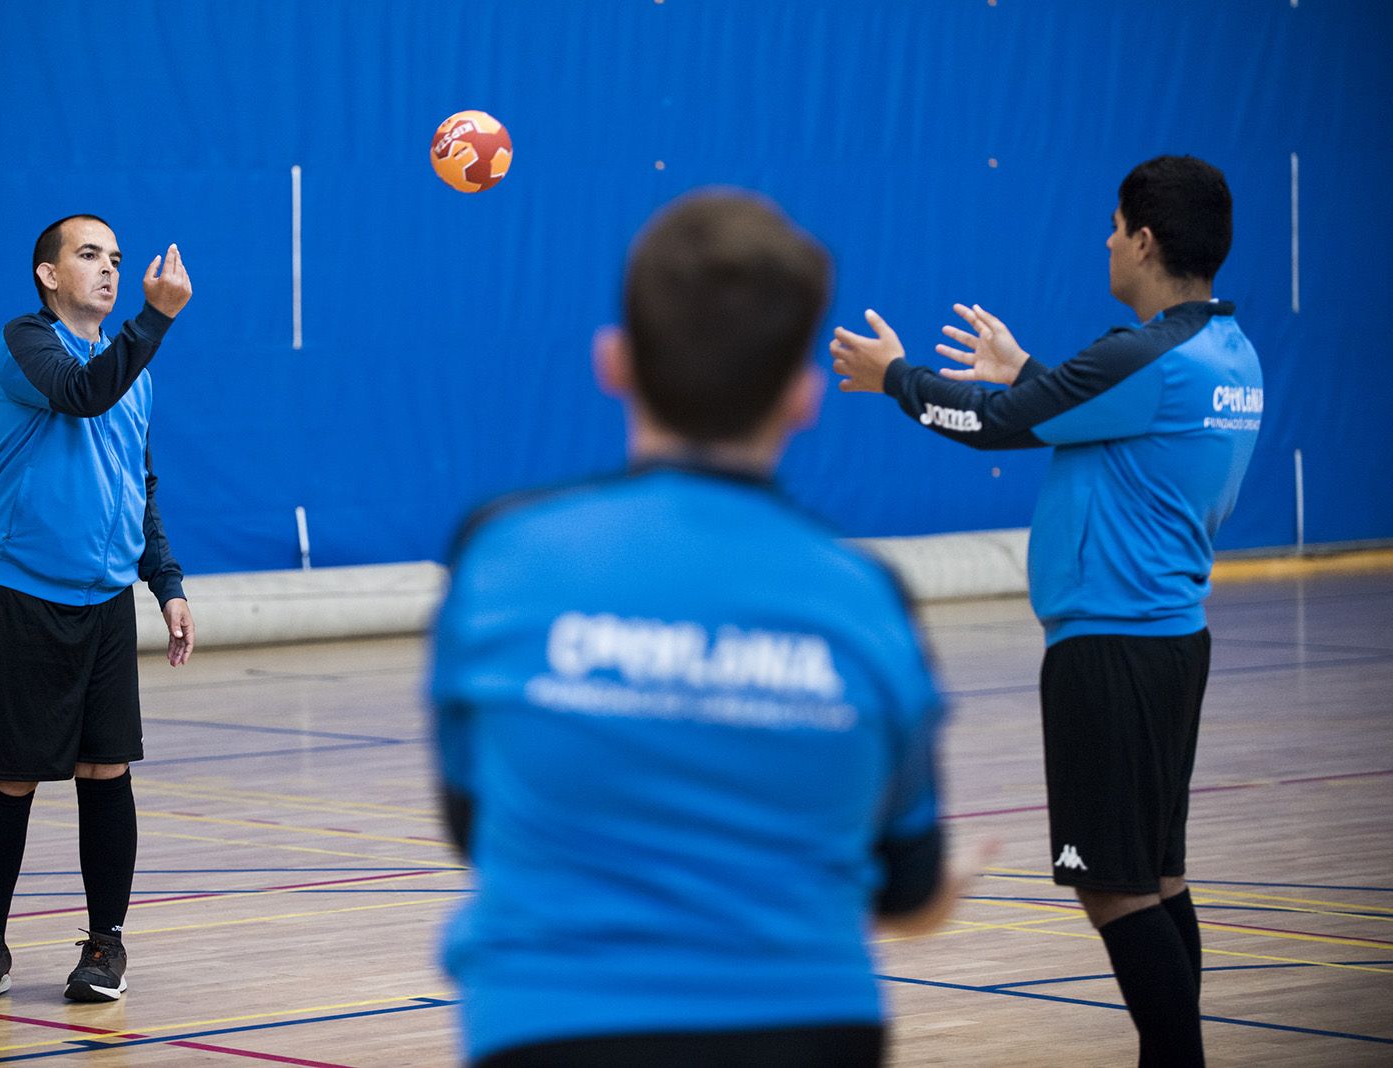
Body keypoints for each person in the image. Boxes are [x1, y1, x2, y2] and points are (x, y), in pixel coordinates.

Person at [429, 190, 982, 1068]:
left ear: (614, 363)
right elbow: (908, 885)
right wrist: (934, 895)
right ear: (804, 397)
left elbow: (472, 829)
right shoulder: (868, 599)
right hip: (811, 1030)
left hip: (549, 1030)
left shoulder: (497, 560)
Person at [830, 155, 1262, 1067]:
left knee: (1113, 889)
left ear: (1144, 239)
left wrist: (895, 377)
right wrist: (1028, 371)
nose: (1106, 240)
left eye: (1114, 225)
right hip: (1173, 642)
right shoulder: (1228, 356)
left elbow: (997, 422)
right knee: (1159, 876)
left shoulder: (1142, 354)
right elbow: (1102, 415)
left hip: (1109, 651)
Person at [0, 215, 195, 1005]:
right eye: (90, 255)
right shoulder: (27, 341)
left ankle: (105, 946)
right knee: (12, 775)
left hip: (105, 603)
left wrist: (168, 585)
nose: (109, 268)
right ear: (49, 274)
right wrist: (154, 318)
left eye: (117, 259)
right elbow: (80, 395)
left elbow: (138, 488)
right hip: (22, 590)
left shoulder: (135, 373)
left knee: (106, 770)